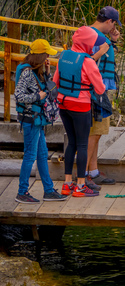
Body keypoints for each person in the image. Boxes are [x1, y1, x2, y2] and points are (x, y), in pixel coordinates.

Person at [53, 26, 106, 197]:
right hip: (80, 105)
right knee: (82, 144)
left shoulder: (63, 56)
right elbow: (100, 89)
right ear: (87, 43)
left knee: (72, 143)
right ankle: (81, 185)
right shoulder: (88, 61)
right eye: (93, 43)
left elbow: (55, 81)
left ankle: (67, 183)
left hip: (63, 104)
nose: (94, 46)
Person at [14, 39, 67, 203]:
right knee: (30, 155)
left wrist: (48, 72)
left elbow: (43, 85)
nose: (47, 58)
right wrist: (38, 97)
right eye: (46, 55)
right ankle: (22, 192)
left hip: (38, 120)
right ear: (40, 56)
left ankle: (48, 190)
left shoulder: (37, 71)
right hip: (30, 120)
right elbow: (18, 95)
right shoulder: (27, 73)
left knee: (42, 155)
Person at [85, 6, 122, 190]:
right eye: (114, 24)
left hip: (100, 89)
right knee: (94, 132)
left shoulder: (99, 36)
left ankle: (93, 171)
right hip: (93, 89)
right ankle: (84, 176)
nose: (114, 28)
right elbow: (88, 59)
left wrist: (112, 41)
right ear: (109, 21)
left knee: (97, 131)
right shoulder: (93, 36)